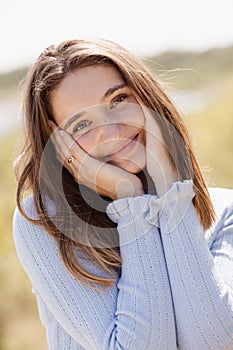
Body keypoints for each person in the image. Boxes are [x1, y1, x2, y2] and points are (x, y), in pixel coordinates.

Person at [12, 38, 233, 350]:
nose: (112, 132)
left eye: (118, 100)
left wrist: (170, 192)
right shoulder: (44, 221)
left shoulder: (227, 210)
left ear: (146, 97)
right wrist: (129, 197)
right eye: (82, 124)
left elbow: (213, 341)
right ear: (57, 140)